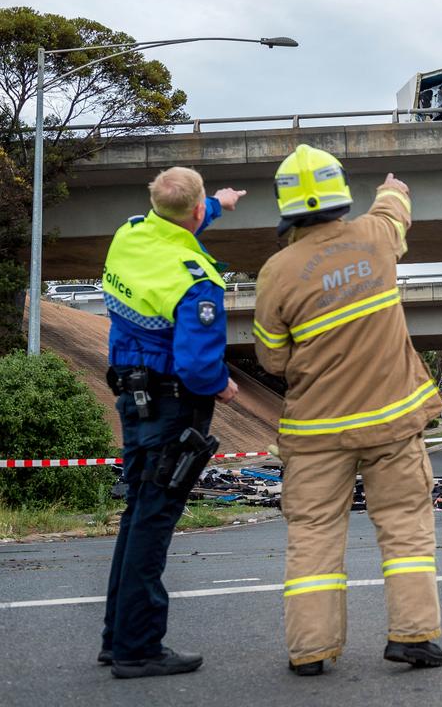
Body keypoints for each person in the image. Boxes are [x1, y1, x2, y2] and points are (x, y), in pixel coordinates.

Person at [253, 144, 442, 677]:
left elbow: (271, 356)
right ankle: (415, 638)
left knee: (313, 535)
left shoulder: (277, 271)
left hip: (316, 433)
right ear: (340, 194)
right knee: (406, 529)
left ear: (286, 206)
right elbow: (392, 210)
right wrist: (392, 187)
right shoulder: (375, 237)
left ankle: (310, 650)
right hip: (392, 421)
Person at [99, 166, 243, 678]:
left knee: (138, 512)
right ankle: (139, 648)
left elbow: (174, 229)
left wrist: (219, 204)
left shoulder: (131, 235)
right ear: (197, 210)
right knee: (154, 523)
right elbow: (199, 366)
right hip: (173, 406)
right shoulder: (196, 283)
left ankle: (117, 639)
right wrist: (224, 385)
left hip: (134, 400)